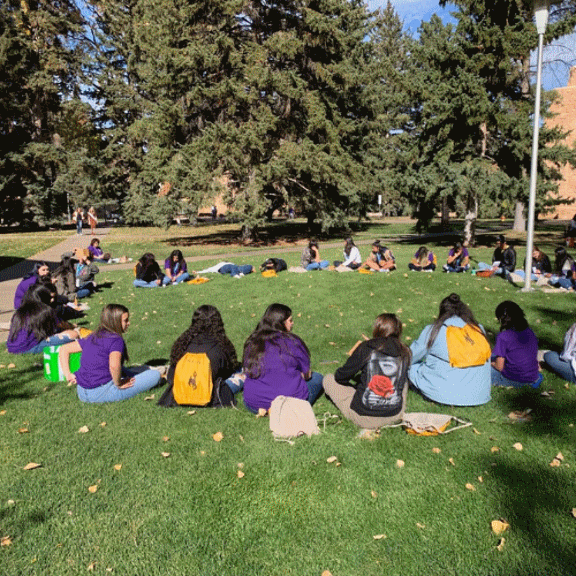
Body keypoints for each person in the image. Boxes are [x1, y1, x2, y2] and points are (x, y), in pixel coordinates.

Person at [323, 314, 410, 430]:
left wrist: (359, 353)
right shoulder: (406, 351)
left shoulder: (367, 348)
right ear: (399, 331)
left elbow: (341, 377)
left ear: (377, 328)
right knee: (404, 381)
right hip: (394, 415)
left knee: (328, 379)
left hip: (364, 418)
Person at [59, 304, 161, 402]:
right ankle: (145, 372)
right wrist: (119, 383)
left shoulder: (94, 335)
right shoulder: (116, 340)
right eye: (126, 320)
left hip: (81, 391)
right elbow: (114, 366)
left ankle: (136, 372)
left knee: (124, 370)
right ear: (115, 322)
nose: (129, 323)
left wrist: (67, 374)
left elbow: (64, 349)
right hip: (101, 392)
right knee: (155, 375)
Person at [409, 293, 491, 406]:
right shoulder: (478, 328)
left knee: (411, 368)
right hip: (481, 395)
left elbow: (411, 357)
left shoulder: (434, 330)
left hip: (445, 395)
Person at [243, 303, 323, 413]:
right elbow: (307, 374)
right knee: (317, 377)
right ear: (280, 323)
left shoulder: (253, 341)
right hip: (289, 405)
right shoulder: (292, 342)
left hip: (254, 404)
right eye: (290, 320)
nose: (292, 323)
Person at [159, 305, 242, 406]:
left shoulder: (183, 343)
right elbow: (227, 371)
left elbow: (173, 372)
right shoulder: (221, 345)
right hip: (209, 392)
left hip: (181, 390)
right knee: (242, 371)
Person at [7, 284, 79, 354]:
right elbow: (62, 325)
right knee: (73, 334)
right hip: (30, 348)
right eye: (49, 297)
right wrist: (74, 327)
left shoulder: (19, 312)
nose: (52, 300)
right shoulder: (45, 311)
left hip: (12, 348)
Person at [491, 301, 542, 388]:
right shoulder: (530, 332)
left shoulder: (503, 336)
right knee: (494, 354)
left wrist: (491, 363)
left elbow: (499, 367)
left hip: (513, 379)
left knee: (482, 367)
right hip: (533, 377)